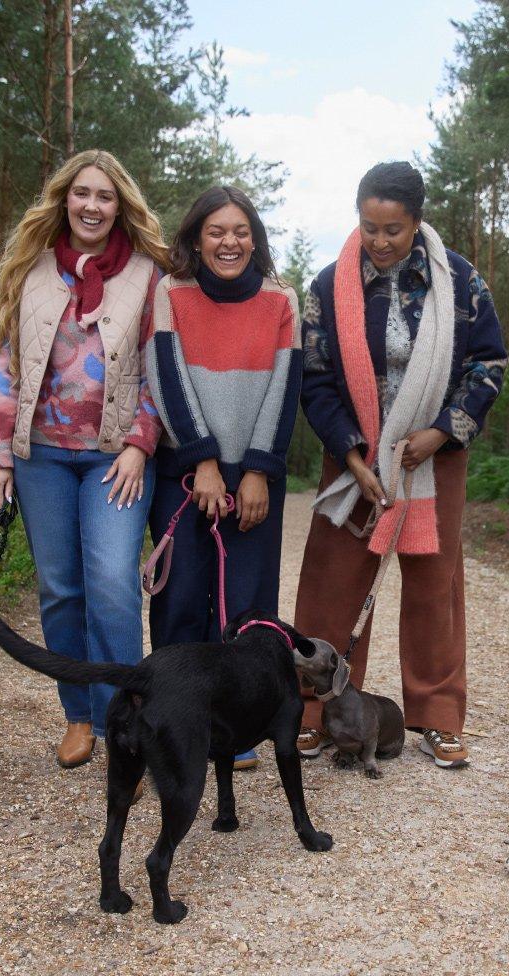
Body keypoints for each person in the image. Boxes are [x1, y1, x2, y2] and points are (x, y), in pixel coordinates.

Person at [294, 161, 507, 769]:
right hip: (354, 458)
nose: (381, 241)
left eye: (393, 229)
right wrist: (355, 455)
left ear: (417, 222)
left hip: (432, 459)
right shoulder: (328, 285)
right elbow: (314, 379)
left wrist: (441, 432)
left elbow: (488, 364)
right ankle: (314, 710)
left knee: (433, 587)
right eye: (370, 227)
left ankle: (438, 717)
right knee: (330, 584)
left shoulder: (460, 281)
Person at [0, 150, 167, 767]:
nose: (92, 205)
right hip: (41, 459)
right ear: (65, 198)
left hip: (115, 459)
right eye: (82, 193)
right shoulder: (31, 270)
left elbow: (161, 372)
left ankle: (129, 724)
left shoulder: (148, 275)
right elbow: (7, 365)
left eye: (105, 196)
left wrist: (143, 442)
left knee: (113, 584)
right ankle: (80, 716)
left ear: (122, 207)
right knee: (61, 590)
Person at [146, 186, 301, 771]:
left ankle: (235, 732)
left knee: (247, 605)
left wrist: (259, 469)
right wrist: (202, 459)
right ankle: (174, 720)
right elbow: (167, 378)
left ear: (255, 239)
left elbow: (285, 391)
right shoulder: (172, 294)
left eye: (240, 232)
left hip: (255, 472)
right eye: (216, 231)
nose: (229, 242)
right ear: (196, 237)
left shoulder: (280, 300)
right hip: (187, 472)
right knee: (182, 597)